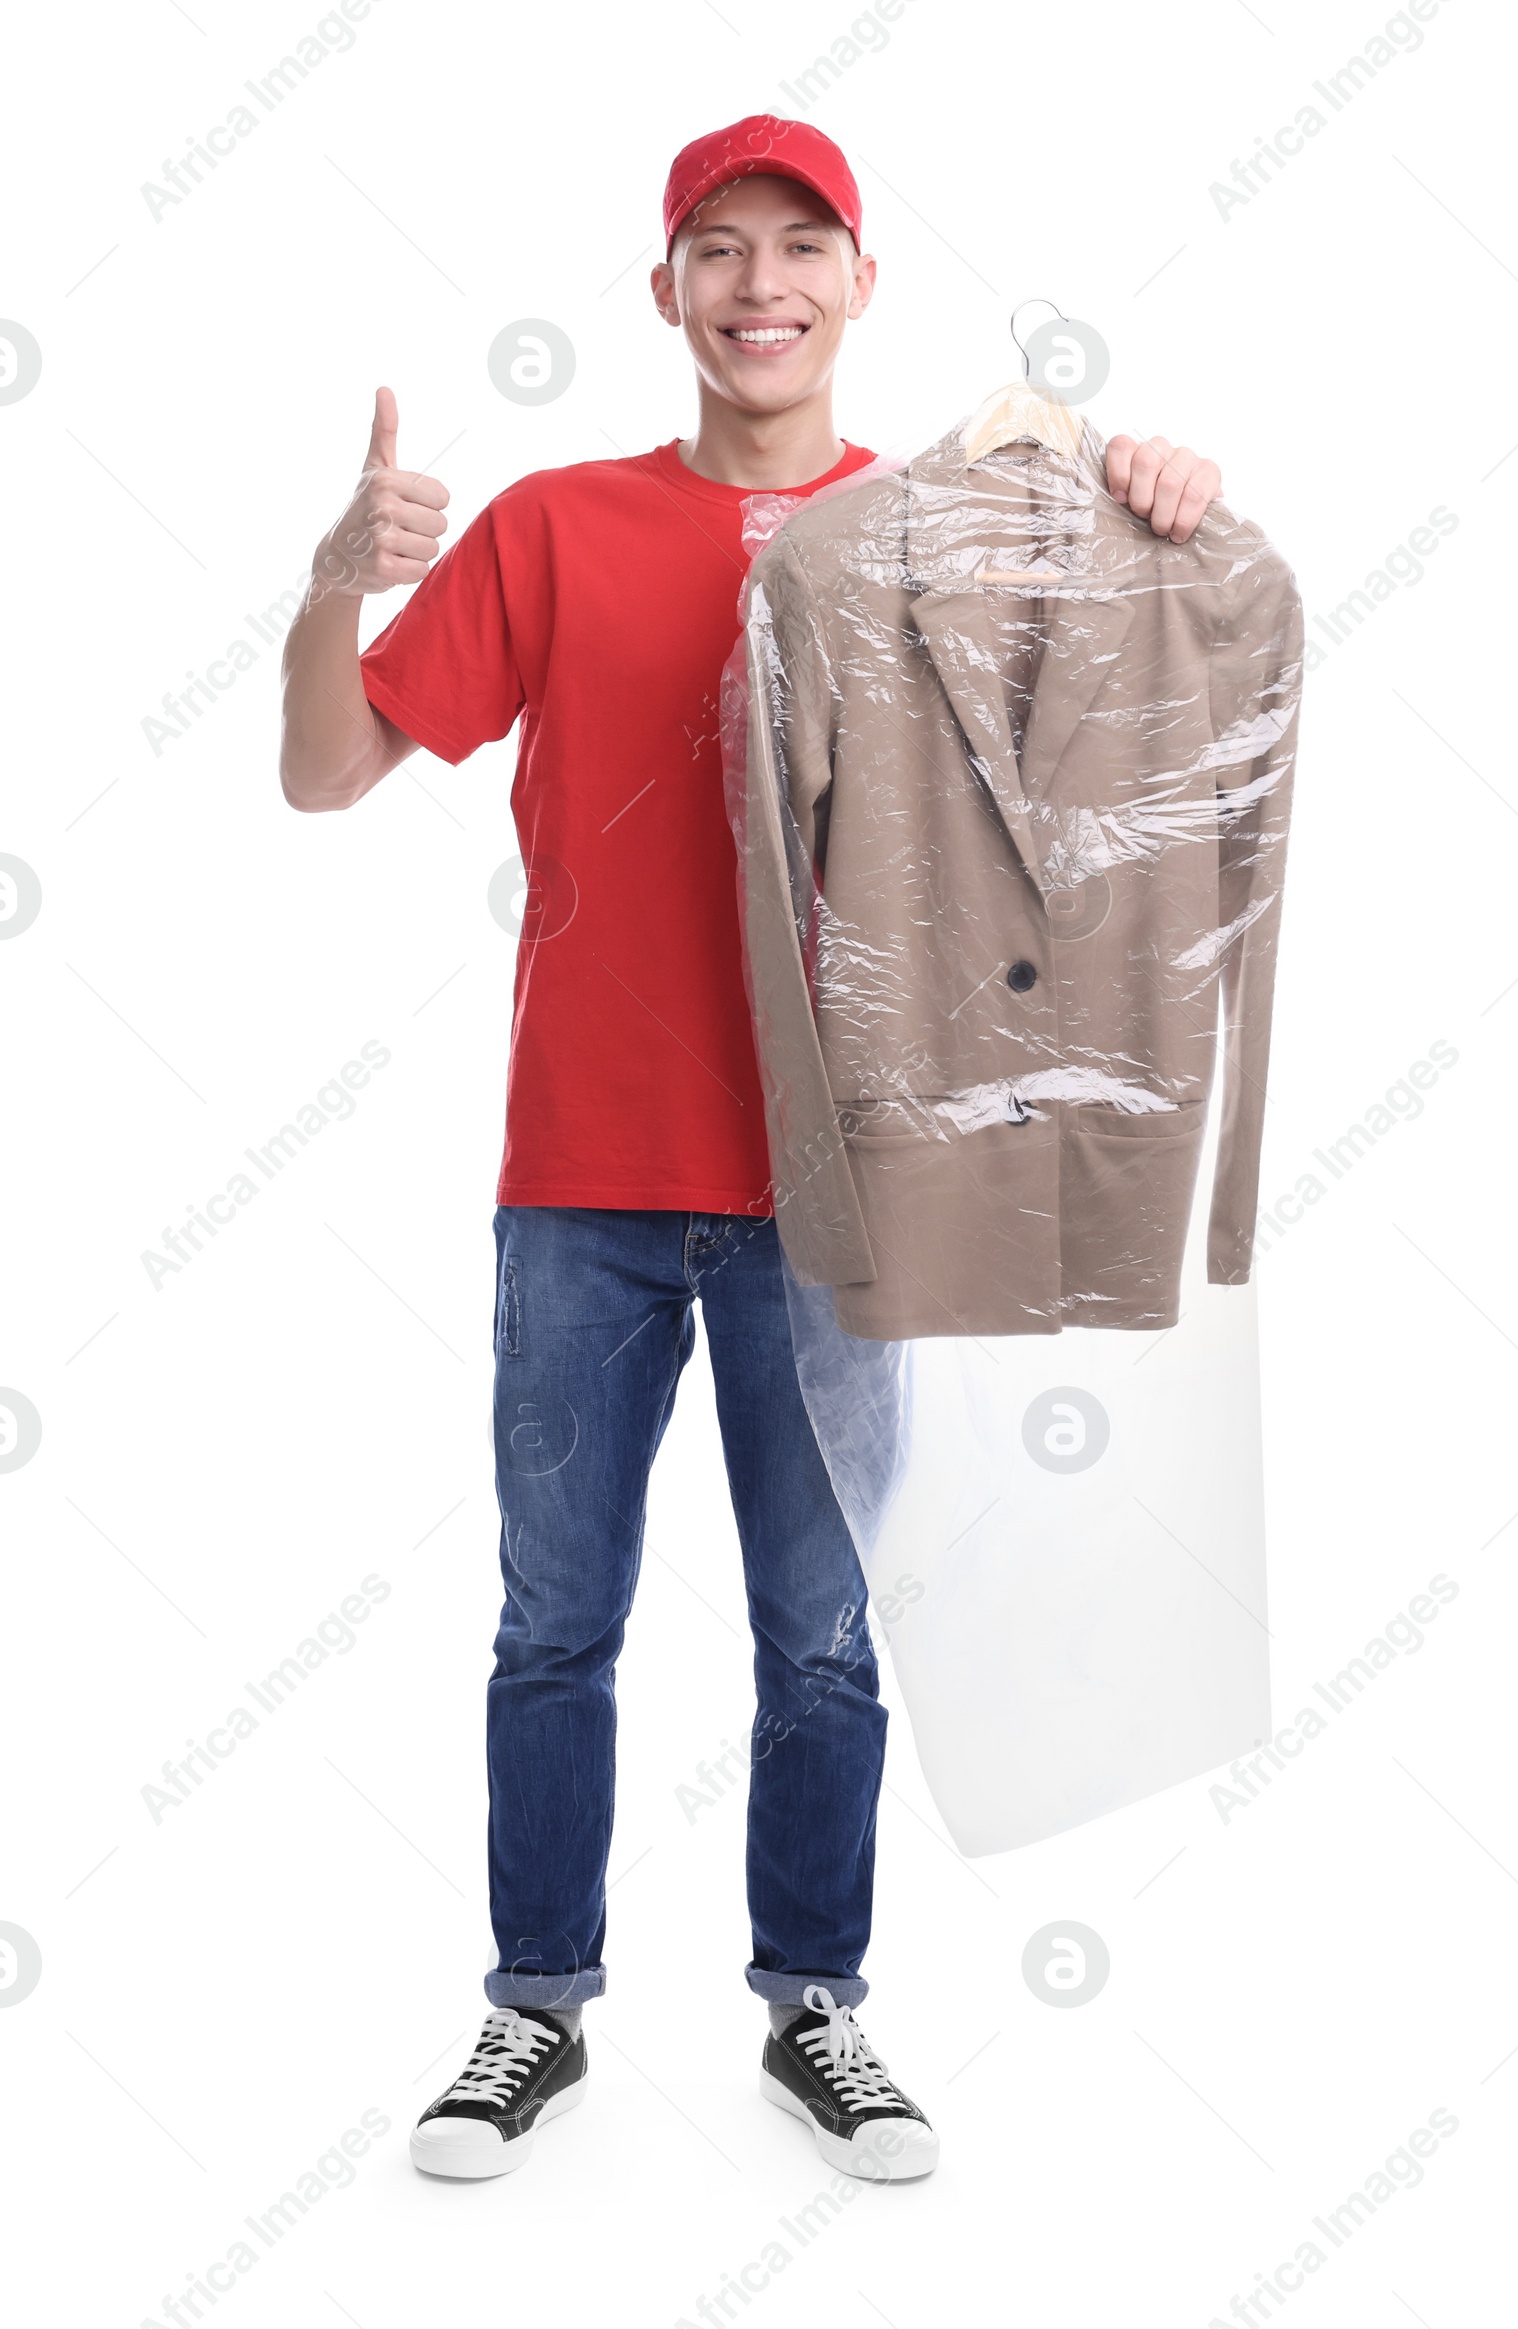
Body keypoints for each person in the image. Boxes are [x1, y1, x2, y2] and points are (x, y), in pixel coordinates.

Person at [278, 113, 1227, 2185]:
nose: (760, 280)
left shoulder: (938, 528)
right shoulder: (549, 528)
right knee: (556, 1621)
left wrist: (1152, 496)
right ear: (666, 294)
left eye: (801, 245)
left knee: (819, 1627)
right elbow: (323, 772)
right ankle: (535, 2009)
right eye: (719, 247)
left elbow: (1120, 739)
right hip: (582, 1185)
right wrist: (338, 583)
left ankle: (817, 2003)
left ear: (860, 287)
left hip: (840, 1195)